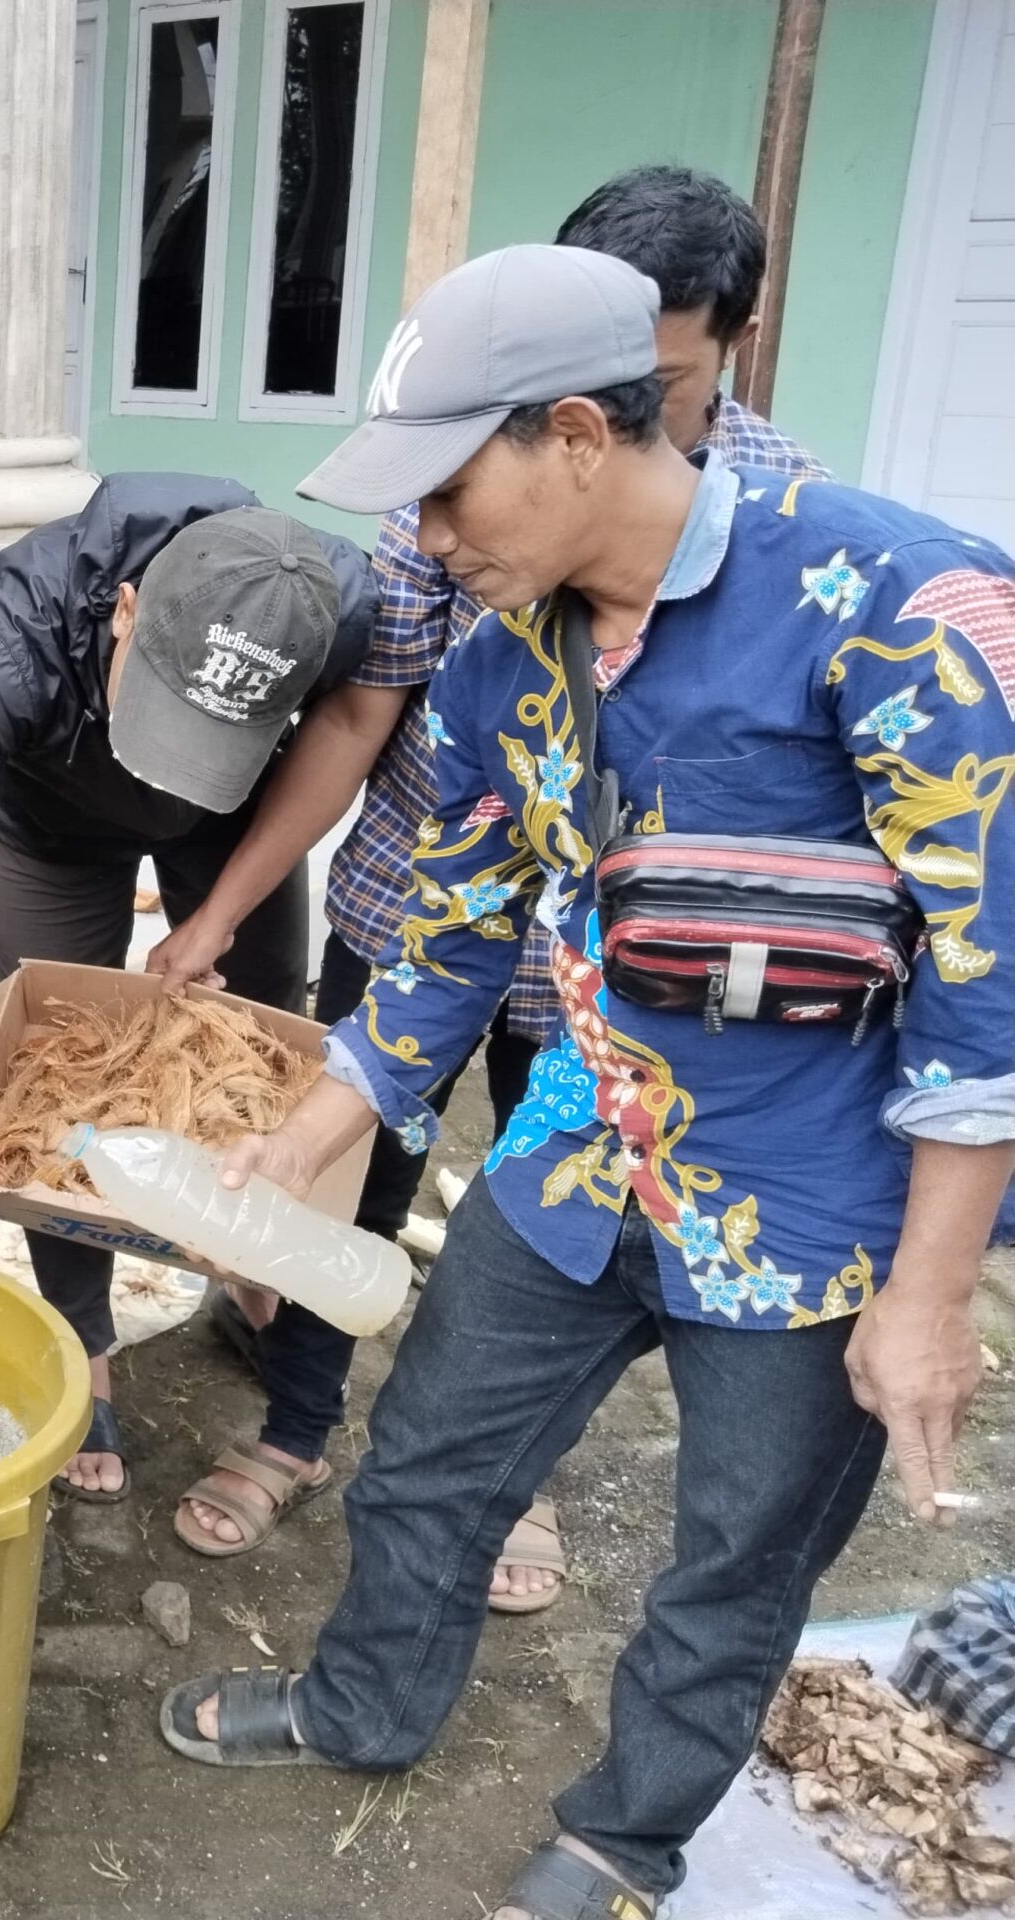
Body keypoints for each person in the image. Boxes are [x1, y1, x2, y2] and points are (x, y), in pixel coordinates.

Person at [159, 243, 1015, 1920]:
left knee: (734, 1563)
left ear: (570, 432)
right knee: (424, 1460)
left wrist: (926, 1296)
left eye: (445, 488)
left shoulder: (894, 605)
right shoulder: (497, 670)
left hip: (814, 1211)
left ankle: (625, 1838)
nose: (424, 537)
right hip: (580, 1147)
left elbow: (991, 993)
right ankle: (363, 1706)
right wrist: (289, 1156)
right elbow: (446, 945)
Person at [147, 165, 831, 1602]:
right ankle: (291, 1423)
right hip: (428, 907)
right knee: (345, 1169)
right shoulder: (457, 480)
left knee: (562, 1229)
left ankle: (512, 1483)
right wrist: (220, 909)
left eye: (664, 376)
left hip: (617, 982)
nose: (631, 395)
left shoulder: (796, 531)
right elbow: (359, 713)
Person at [0, 478, 372, 1502]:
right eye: (159, 698)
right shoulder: (17, 628)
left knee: (266, 1055)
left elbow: (351, 729)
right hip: (53, 825)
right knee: (55, 1078)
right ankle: (85, 1346)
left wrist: (216, 915)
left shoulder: (325, 599)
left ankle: (249, 1270)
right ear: (124, 608)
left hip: (235, 821)